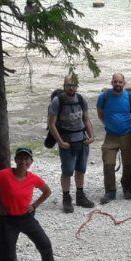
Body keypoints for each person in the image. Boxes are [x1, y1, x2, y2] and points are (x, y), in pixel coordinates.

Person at [47, 76, 95, 213]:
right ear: (64, 86)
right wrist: (60, 142)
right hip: (67, 141)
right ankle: (66, 198)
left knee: (81, 169)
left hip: (82, 139)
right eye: (69, 85)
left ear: (77, 86)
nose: (71, 88)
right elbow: (51, 124)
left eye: (74, 85)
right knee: (67, 170)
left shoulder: (81, 99)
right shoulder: (57, 102)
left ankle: (80, 195)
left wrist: (92, 136)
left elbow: (86, 119)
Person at [95, 73, 131, 203]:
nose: (117, 84)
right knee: (108, 162)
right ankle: (110, 191)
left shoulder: (129, 96)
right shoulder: (104, 96)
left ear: (124, 83)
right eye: (115, 82)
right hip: (111, 136)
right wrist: (108, 124)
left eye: (120, 82)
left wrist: (126, 123)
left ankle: (127, 187)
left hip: (127, 134)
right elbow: (100, 113)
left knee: (128, 163)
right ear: (111, 82)